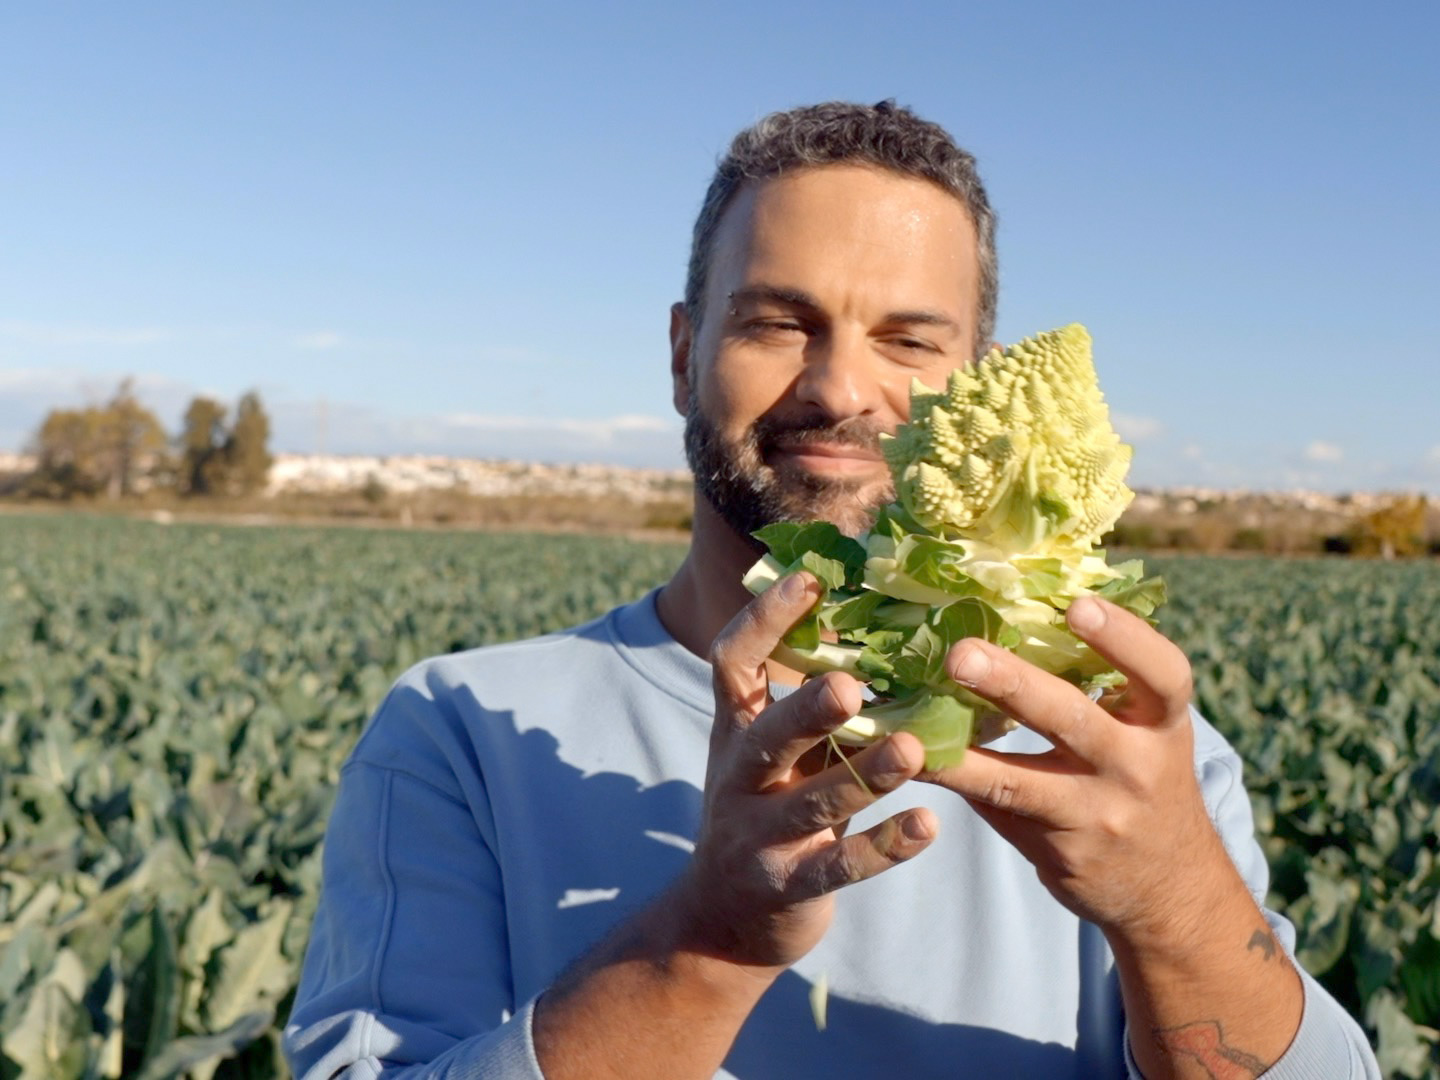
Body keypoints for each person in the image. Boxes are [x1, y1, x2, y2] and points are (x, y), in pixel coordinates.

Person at [286, 100, 1380, 1080]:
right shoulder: (463, 731)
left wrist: (1176, 905)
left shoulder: (1133, 761)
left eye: (908, 339)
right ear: (683, 353)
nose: (840, 387)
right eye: (776, 322)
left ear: (981, 383)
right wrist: (706, 943)